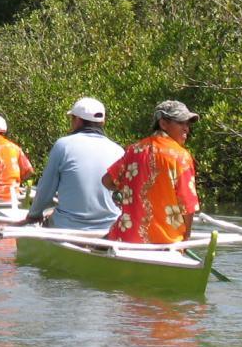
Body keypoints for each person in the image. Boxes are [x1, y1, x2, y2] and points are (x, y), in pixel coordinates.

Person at [102, 99, 201, 244]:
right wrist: (186, 237)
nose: (186, 128)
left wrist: (127, 190)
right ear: (163, 124)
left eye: (187, 124)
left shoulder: (134, 150)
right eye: (181, 123)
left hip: (127, 238)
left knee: (98, 243)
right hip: (166, 242)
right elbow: (188, 204)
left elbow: (107, 181)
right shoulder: (181, 157)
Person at [23, 96, 124, 233]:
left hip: (69, 227)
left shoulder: (63, 145)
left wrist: (33, 215)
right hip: (109, 227)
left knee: (49, 213)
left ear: (77, 120)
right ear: (103, 122)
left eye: (72, 119)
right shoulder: (118, 150)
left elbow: (46, 188)